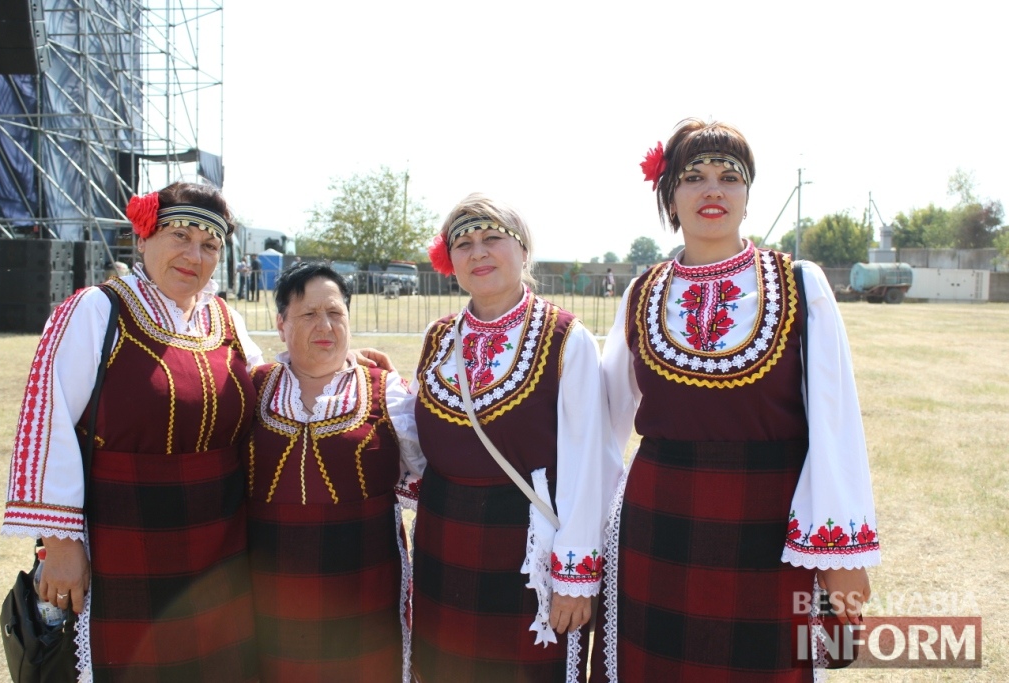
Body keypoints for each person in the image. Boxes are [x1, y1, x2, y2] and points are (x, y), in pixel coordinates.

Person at [593, 119, 880, 681]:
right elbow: (600, 418)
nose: (713, 190)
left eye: (730, 177)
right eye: (693, 177)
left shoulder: (800, 284)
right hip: (660, 519)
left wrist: (840, 555)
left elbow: (835, 424)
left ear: (749, 196)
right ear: (670, 197)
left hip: (771, 525)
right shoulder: (641, 292)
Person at [2, 182, 265, 681]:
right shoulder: (96, 310)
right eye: (180, 235)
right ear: (142, 238)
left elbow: (266, 389)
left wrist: (338, 368)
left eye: (210, 245)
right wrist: (60, 545)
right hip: (125, 533)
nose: (194, 255)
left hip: (220, 539)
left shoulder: (224, 318)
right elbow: (46, 420)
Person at [404, 193, 622, 682]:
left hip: (529, 552)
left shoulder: (567, 338)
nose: (478, 252)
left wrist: (575, 575)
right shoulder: (438, 339)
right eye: (463, 244)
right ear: (450, 262)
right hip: (444, 538)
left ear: (523, 252)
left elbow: (590, 463)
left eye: (492, 238)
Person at [245, 261, 424, 682]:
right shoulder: (251, 388)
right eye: (308, 314)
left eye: (336, 313)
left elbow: (427, 472)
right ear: (281, 323)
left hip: (364, 587)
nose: (325, 325)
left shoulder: (387, 392)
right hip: (269, 587)